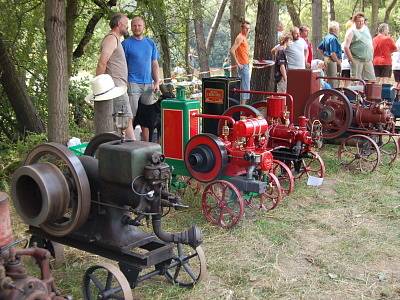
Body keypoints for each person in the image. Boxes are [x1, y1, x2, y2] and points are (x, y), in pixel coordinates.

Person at [96, 13, 134, 139]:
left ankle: (124, 149)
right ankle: (133, 148)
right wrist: (99, 86)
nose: (128, 27)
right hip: (115, 88)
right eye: (126, 24)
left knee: (121, 121)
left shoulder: (117, 39)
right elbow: (102, 62)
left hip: (118, 87)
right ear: (119, 24)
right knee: (126, 119)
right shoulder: (111, 38)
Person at [122, 15, 161, 142]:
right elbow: (122, 65)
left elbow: (154, 63)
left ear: (144, 27)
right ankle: (128, 143)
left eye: (139, 25)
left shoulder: (150, 43)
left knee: (147, 118)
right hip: (132, 83)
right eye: (134, 25)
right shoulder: (126, 44)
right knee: (131, 115)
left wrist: (157, 81)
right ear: (131, 27)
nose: (137, 27)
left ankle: (146, 145)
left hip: (148, 85)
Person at [343, 12, 375, 81]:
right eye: (359, 21)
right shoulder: (351, 31)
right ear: (354, 21)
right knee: (357, 81)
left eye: (362, 21)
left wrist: (372, 56)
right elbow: (346, 47)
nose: (361, 23)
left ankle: (368, 92)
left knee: (371, 81)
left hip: (368, 60)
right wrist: (352, 60)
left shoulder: (366, 29)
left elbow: (369, 43)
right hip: (357, 60)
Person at [230, 20, 251, 104]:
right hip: (243, 66)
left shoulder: (244, 37)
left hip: (246, 65)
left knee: (244, 88)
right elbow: (232, 50)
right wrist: (238, 63)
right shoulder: (240, 37)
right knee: (245, 88)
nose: (247, 30)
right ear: (242, 28)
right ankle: (243, 109)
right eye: (246, 28)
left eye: (248, 29)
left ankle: (242, 109)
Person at [318, 21, 342, 88]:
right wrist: (338, 62)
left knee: (329, 79)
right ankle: (333, 97)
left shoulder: (326, 37)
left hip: (327, 60)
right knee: (333, 81)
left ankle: (330, 96)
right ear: (335, 29)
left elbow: (319, 48)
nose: (339, 30)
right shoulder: (333, 39)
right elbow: (333, 53)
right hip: (332, 61)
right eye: (338, 28)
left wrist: (325, 56)